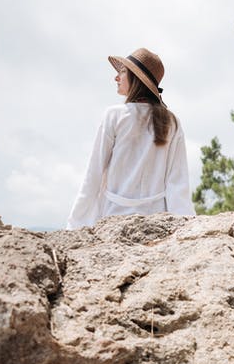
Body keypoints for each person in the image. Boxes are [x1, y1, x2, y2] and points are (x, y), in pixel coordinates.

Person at [66, 47, 195, 229]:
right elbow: (177, 182)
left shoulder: (114, 115)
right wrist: (187, 227)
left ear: (136, 79)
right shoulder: (171, 121)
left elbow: (93, 175)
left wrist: (74, 225)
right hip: (156, 222)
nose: (116, 77)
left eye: (122, 72)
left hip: (112, 219)